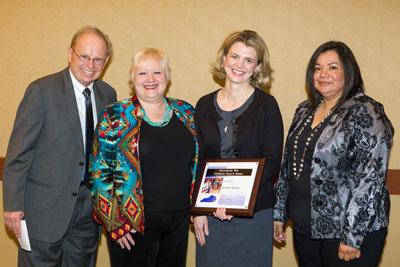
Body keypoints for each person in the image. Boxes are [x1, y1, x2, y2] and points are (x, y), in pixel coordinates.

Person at [2, 26, 116, 266]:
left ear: (105, 62)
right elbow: (19, 153)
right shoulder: (41, 91)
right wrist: (13, 206)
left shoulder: (108, 95)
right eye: (84, 56)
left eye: (98, 59)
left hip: (88, 213)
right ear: (69, 54)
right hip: (44, 210)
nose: (90, 64)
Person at [273, 41, 394, 267]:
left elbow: (371, 178)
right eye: (317, 68)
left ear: (348, 71)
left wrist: (353, 236)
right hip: (304, 228)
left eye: (332, 67)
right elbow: (288, 166)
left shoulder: (366, 111)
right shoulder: (304, 110)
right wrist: (279, 213)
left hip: (345, 234)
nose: (323, 74)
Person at [90, 48, 198, 267]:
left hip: (178, 222)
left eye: (157, 73)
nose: (150, 79)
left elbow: (198, 163)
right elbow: (99, 174)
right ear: (132, 77)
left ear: (167, 76)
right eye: (142, 73)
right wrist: (114, 223)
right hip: (130, 226)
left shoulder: (186, 112)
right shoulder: (115, 116)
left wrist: (199, 208)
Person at [193, 30, 284, 267]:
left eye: (249, 60)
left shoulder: (267, 106)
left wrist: (236, 201)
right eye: (234, 56)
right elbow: (198, 160)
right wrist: (198, 211)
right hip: (210, 214)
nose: (240, 65)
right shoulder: (203, 105)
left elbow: (273, 160)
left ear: (258, 67)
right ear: (224, 59)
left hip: (254, 215)